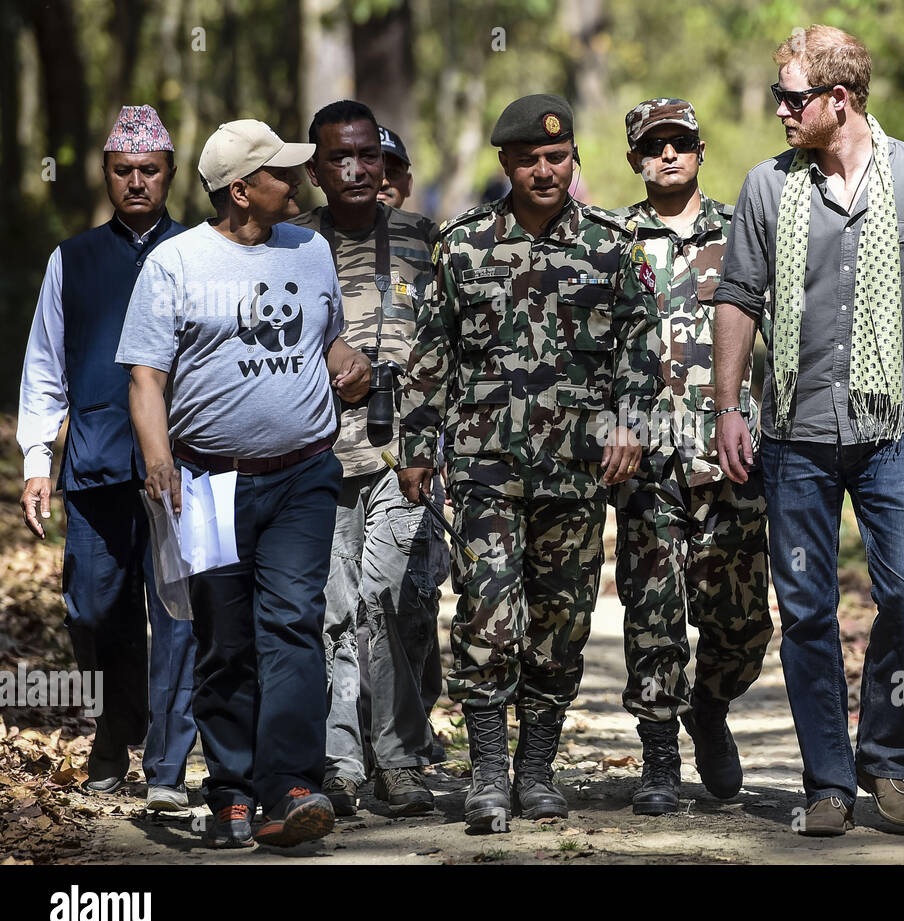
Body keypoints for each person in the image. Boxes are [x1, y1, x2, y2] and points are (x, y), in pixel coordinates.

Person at [713, 26, 904, 837]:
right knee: (807, 608)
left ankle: (889, 762)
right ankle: (828, 780)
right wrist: (729, 405)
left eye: (794, 97)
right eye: (779, 96)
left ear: (841, 99)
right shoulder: (767, 187)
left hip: (895, 427)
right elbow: (738, 298)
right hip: (794, 432)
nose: (782, 110)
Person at [399, 94, 657, 833]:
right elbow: (430, 355)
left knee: (562, 620)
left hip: (577, 471)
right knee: (486, 614)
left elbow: (641, 344)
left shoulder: (611, 244)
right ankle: (486, 770)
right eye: (529, 159)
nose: (545, 170)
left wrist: (630, 422)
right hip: (484, 469)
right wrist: (418, 449)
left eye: (557, 156)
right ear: (506, 163)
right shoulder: (464, 245)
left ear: (573, 157)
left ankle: (536, 768)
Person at [118, 118, 370, 848]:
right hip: (205, 481)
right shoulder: (176, 263)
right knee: (226, 639)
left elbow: (327, 339)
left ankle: (289, 785)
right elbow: (145, 375)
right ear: (241, 190)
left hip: (302, 474)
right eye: (280, 173)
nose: (297, 181)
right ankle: (230, 785)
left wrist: (349, 361)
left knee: (292, 623)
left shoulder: (311, 249)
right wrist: (158, 458)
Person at [18, 105, 196, 808]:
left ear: (170, 173)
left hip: (180, 466)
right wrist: (38, 458)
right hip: (93, 460)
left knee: (177, 611)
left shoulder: (197, 249)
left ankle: (167, 762)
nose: (136, 183)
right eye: (123, 171)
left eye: (149, 170)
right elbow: (43, 365)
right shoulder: (72, 259)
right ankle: (116, 721)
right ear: (106, 174)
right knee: (93, 608)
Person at [610, 98, 772, 815]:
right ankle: (657, 757)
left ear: (701, 150)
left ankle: (709, 706)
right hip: (648, 462)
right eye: (654, 146)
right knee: (653, 613)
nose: (668, 155)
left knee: (740, 624)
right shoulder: (611, 239)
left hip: (731, 458)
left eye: (680, 143)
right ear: (635, 160)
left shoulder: (745, 231)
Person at [292, 100, 449, 817]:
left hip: (401, 456)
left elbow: (450, 344)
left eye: (368, 156)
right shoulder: (289, 244)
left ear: (385, 165)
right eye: (338, 157)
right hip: (313, 455)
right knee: (331, 611)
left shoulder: (423, 238)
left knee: (394, 603)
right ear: (316, 168)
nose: (356, 169)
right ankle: (340, 762)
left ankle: (400, 757)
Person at [377, 125, 414, 210]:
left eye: (393, 172)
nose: (383, 183)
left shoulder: (424, 223)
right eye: (371, 173)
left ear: (408, 184)